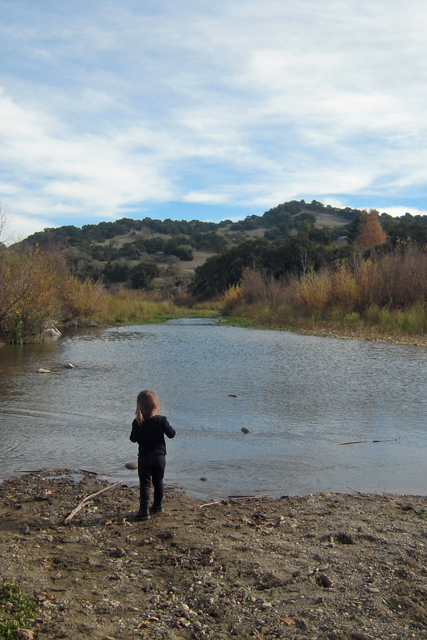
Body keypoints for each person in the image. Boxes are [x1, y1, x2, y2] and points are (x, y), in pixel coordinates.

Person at [129, 390, 176, 521]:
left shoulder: (137, 422)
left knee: (145, 484)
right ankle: (157, 505)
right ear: (156, 406)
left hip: (144, 457)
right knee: (158, 481)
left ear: (139, 406)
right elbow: (172, 434)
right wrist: (166, 426)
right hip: (160, 457)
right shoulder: (161, 420)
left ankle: (144, 510)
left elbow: (133, 439)